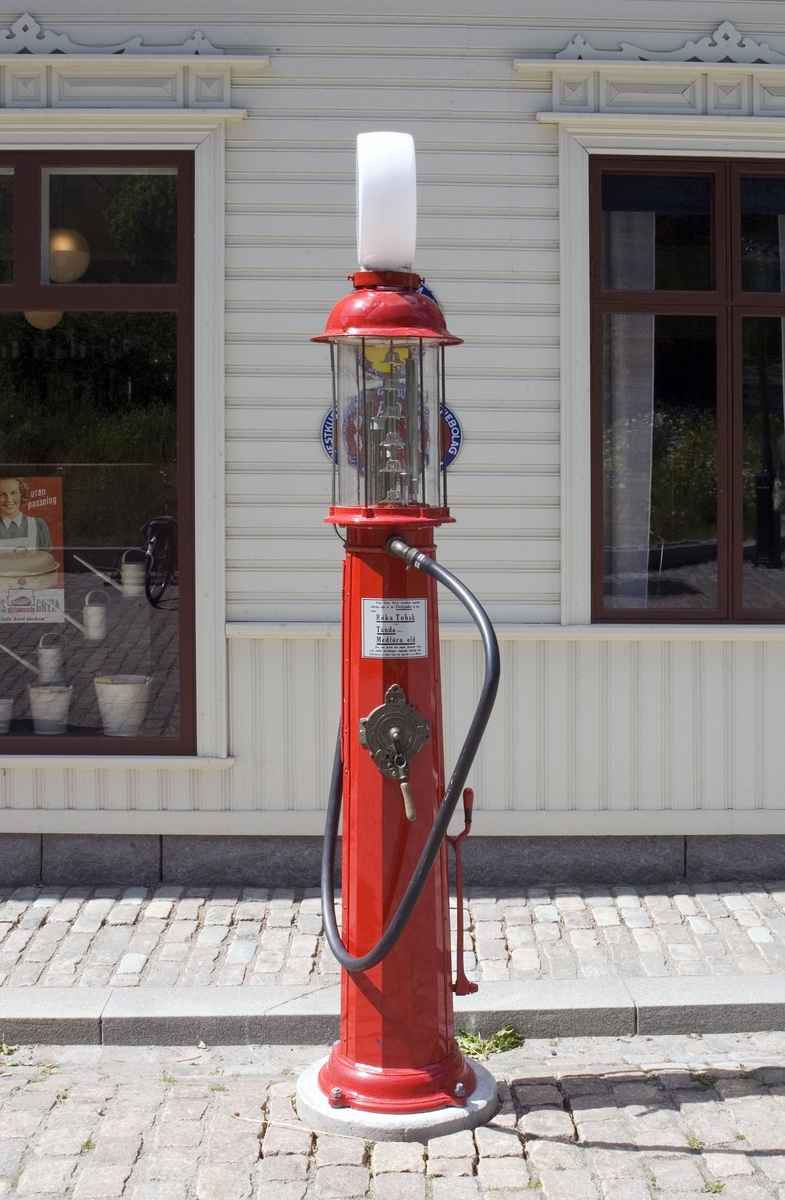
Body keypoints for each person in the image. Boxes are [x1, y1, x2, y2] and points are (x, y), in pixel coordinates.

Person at [0, 477, 53, 551]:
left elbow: (47, 557)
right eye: (2, 495)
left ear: (21, 494)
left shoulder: (39, 525)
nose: (9, 500)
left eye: (14, 493)